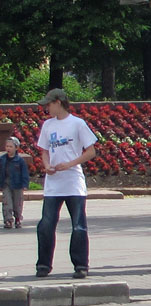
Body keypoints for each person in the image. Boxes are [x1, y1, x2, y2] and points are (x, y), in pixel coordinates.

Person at [35, 88, 98, 279]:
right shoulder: (47, 125)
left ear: (59, 103)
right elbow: (44, 150)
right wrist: (47, 165)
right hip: (54, 183)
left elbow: (91, 151)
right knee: (46, 224)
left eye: (49, 104)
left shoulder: (77, 124)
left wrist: (69, 164)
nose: (46, 107)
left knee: (78, 225)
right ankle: (43, 265)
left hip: (73, 182)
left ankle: (80, 265)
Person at [1, 136, 31, 228]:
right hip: (6, 184)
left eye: (10, 146)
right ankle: (8, 220)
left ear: (16, 148)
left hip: (17, 185)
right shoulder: (2, 160)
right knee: (7, 203)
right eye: (7, 146)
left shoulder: (20, 161)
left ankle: (18, 218)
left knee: (17, 203)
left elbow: (25, 173)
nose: (8, 149)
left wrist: (25, 184)